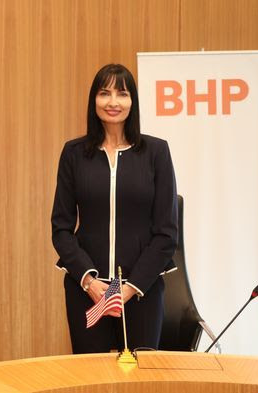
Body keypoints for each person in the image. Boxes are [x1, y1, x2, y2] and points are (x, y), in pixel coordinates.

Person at [51, 63, 177, 354]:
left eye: (122, 94)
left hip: (141, 292)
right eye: (104, 93)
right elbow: (61, 228)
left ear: (132, 101)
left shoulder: (156, 153)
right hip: (87, 292)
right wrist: (90, 283)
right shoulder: (74, 154)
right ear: (93, 100)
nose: (113, 102)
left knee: (141, 380)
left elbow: (166, 233)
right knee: (91, 380)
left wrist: (126, 290)